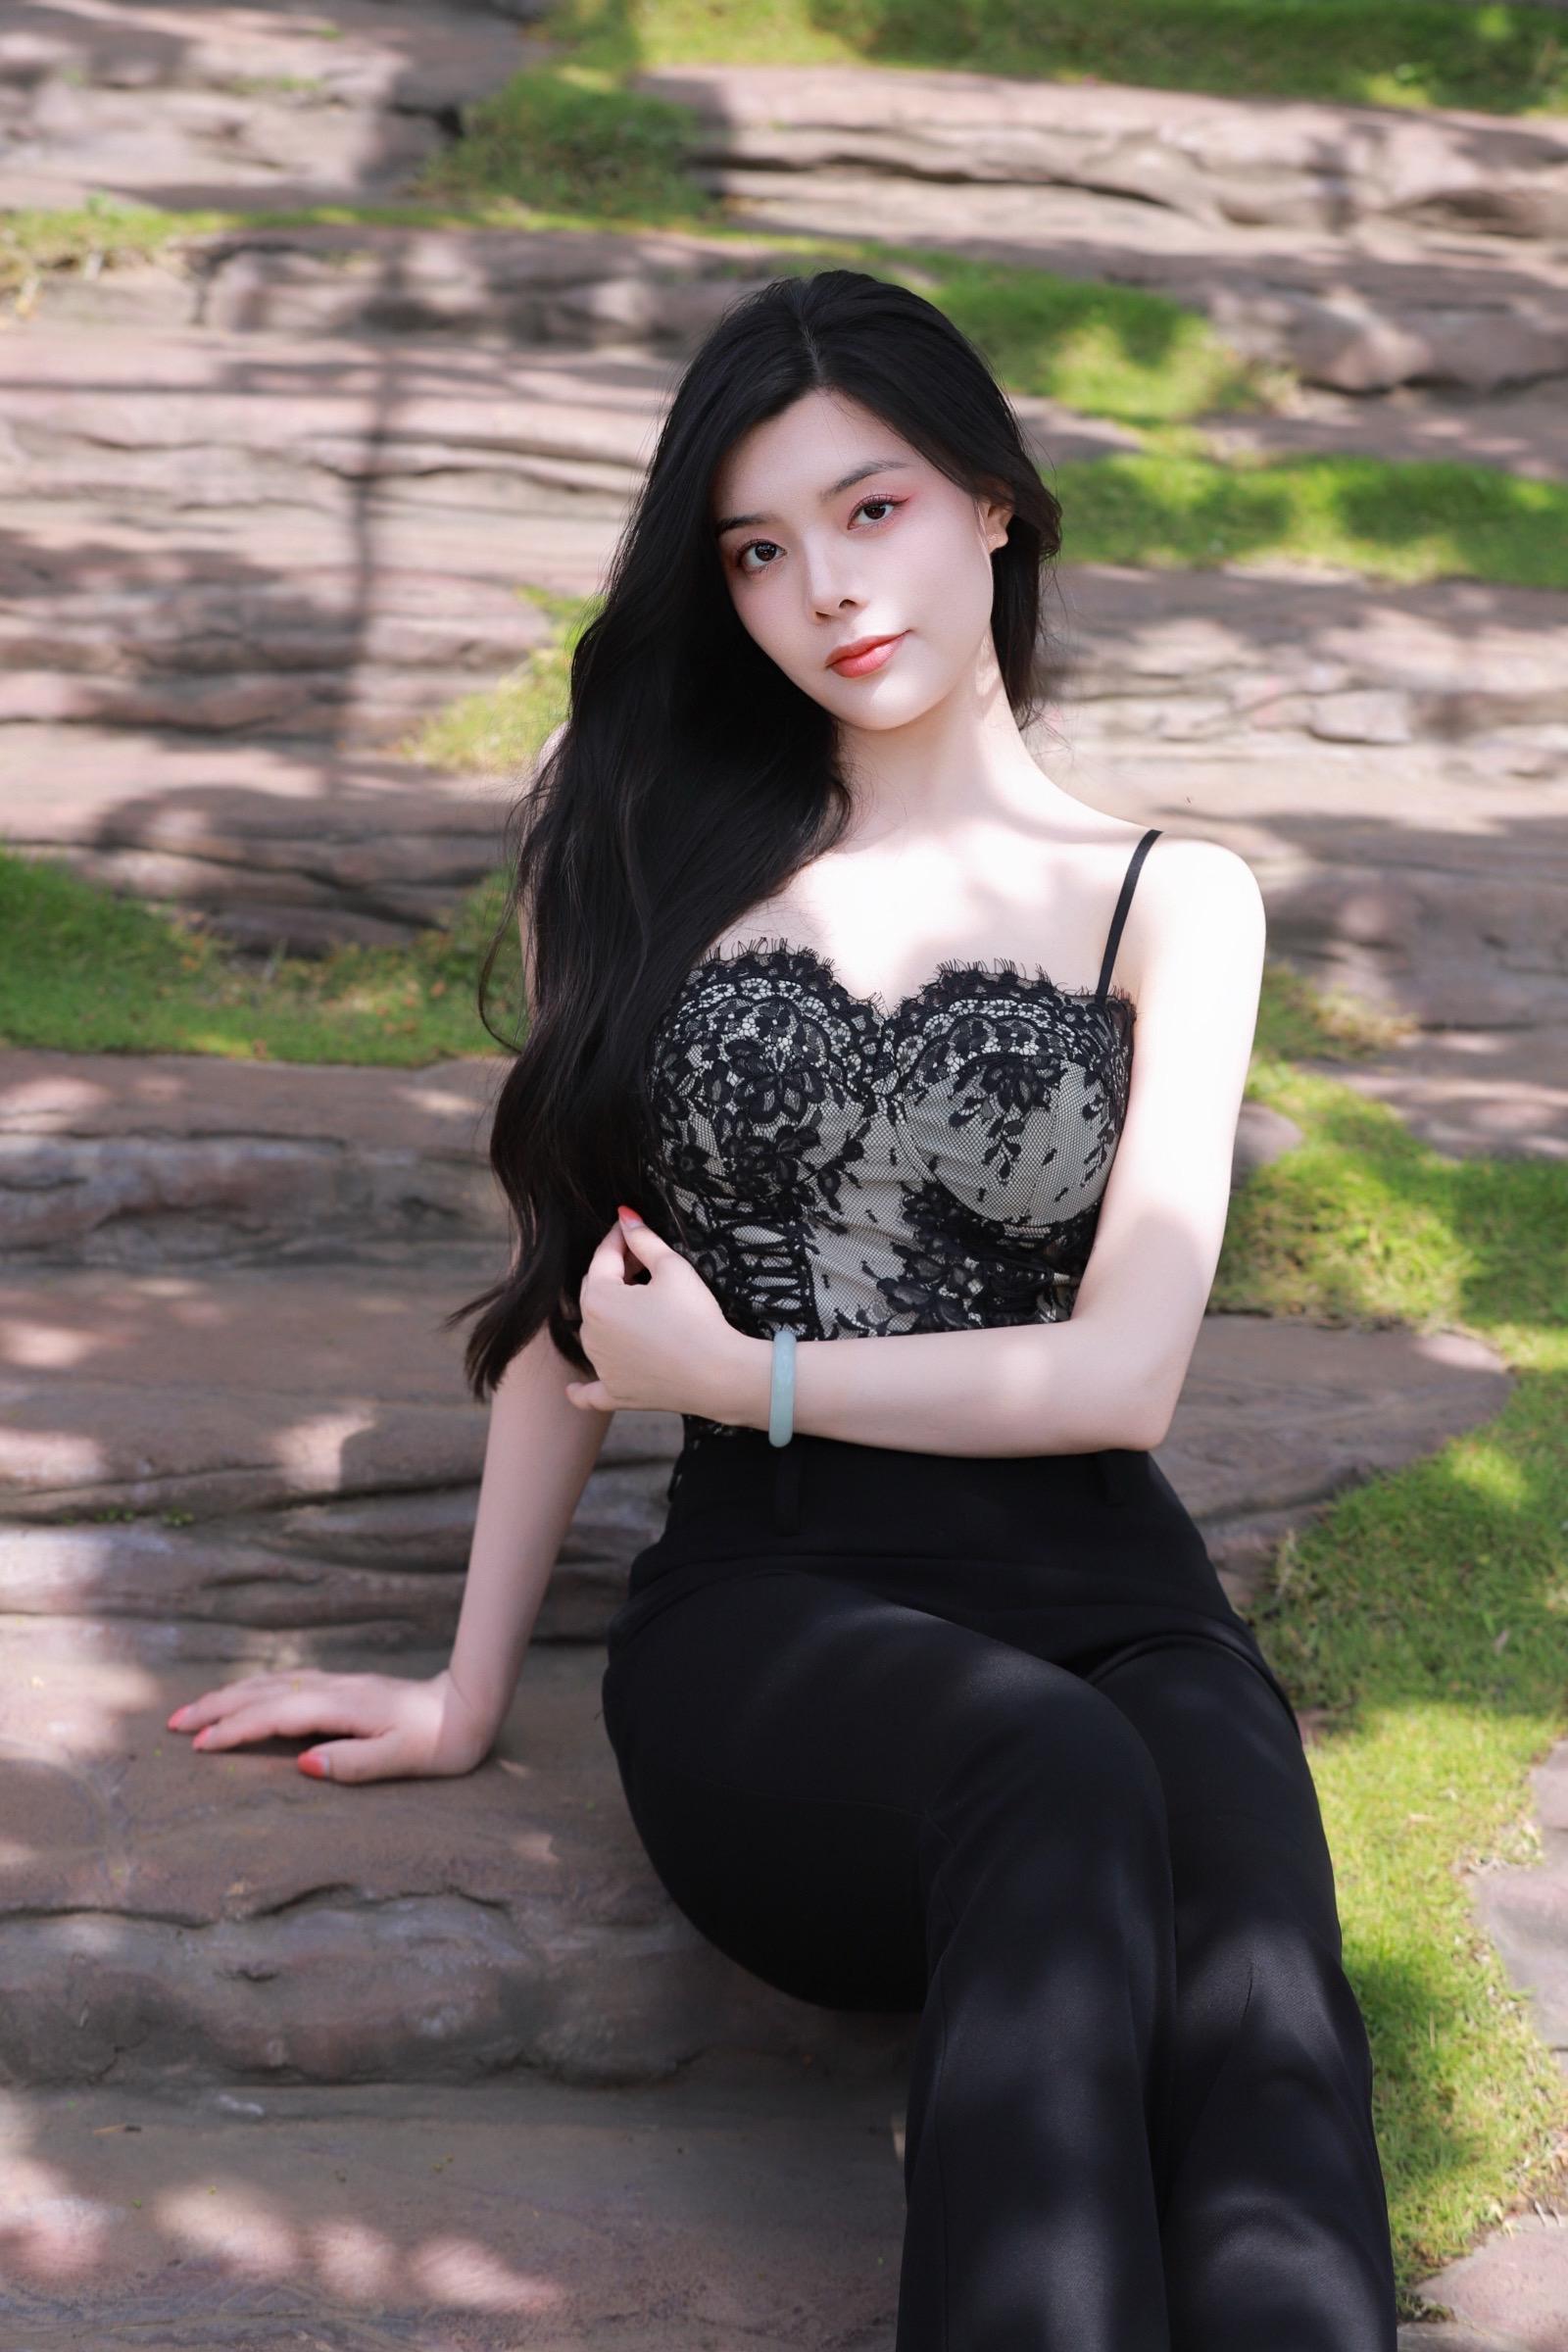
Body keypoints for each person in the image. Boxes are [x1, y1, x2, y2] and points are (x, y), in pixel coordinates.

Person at [165, 269, 1398, 2349]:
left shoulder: (1172, 898)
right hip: (774, 1621)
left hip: (1113, 1589)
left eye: (871, 509)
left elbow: (1125, 1376)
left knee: (1251, 1938)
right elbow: (575, 1317)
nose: (823, 588)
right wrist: (465, 1692)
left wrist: (751, 1373)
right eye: (754, 549)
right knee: (1054, 1771)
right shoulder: (646, 864)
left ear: (992, 503)